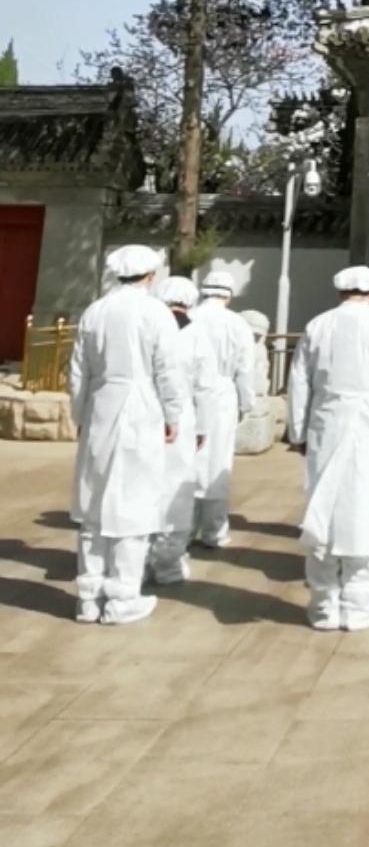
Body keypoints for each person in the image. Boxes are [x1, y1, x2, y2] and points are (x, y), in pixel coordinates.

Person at [287, 265, 369, 631]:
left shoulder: (318, 326)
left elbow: (299, 382)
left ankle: (324, 602)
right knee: (363, 505)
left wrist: (298, 432)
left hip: (326, 420)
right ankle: (358, 603)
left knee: (323, 503)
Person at [68, 244, 184, 624]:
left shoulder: (95, 311)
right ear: (151, 275)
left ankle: (89, 594)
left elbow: (77, 373)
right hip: (141, 406)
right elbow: (168, 370)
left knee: (95, 502)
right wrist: (173, 414)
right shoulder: (156, 312)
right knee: (133, 501)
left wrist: (81, 414)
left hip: (101, 405)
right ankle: (123, 595)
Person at [147, 276, 216, 585]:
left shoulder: (148, 324)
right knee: (177, 486)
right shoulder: (197, 333)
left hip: (146, 413)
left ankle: (136, 560)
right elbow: (205, 385)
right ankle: (169, 564)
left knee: (144, 484)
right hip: (184, 416)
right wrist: (204, 426)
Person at [191, 266, 256, 548]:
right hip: (221, 394)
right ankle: (214, 530)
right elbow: (245, 368)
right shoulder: (237, 324)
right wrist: (246, 402)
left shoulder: (189, 318)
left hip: (189, 393)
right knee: (218, 460)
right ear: (229, 294)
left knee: (189, 459)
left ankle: (183, 525)